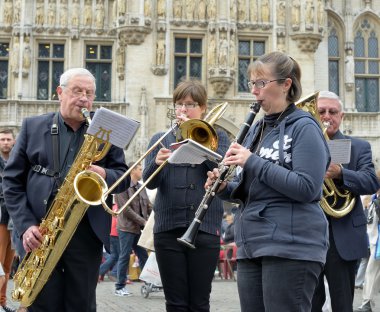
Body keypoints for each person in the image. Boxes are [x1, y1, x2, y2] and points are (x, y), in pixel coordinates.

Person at [205, 51, 331, 312]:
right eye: (252, 83)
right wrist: (223, 188)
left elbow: (307, 188)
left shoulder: (304, 127)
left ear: (286, 84)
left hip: (291, 245)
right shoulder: (256, 130)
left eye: (261, 83)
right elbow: (250, 188)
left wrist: (252, 161)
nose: (254, 91)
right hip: (253, 243)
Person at [2, 68, 129, 312]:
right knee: (42, 305)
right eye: (77, 91)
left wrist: (104, 174)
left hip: (85, 233)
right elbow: (11, 181)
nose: (84, 98)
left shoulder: (105, 132)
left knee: (81, 304)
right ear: (60, 93)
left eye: (89, 93)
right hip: (39, 232)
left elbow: (122, 176)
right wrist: (26, 225)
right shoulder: (32, 126)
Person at [143, 79, 230, 311]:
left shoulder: (218, 138)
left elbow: (222, 174)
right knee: (175, 302)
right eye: (179, 104)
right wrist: (156, 164)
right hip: (168, 230)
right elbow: (149, 183)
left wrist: (198, 142)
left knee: (200, 302)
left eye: (190, 104)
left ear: (203, 108)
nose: (183, 110)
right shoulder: (161, 139)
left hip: (205, 229)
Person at [311, 91, 380, 312]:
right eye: (321, 111)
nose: (327, 116)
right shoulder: (301, 145)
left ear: (341, 116)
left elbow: (370, 182)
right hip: (308, 235)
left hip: (343, 236)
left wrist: (341, 173)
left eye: (332, 112)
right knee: (309, 304)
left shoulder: (358, 147)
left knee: (343, 305)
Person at [114, 162, 152, 296]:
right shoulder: (121, 186)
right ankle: (119, 287)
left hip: (138, 229)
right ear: (133, 171)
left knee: (142, 255)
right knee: (124, 256)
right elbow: (126, 210)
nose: (142, 171)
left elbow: (148, 206)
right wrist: (145, 222)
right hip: (126, 228)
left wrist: (155, 216)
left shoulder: (141, 187)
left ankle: (149, 283)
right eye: (140, 169)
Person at [354, 171, 380, 312]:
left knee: (371, 272)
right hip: (374, 242)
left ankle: (367, 303)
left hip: (377, 243)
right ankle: (367, 303)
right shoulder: (373, 199)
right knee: (371, 272)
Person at [0, 129, 16, 312]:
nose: (5, 142)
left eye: (8, 139)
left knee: (7, 265)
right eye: (2, 139)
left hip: (14, 219)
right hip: (1, 218)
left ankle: (2, 302)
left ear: (13, 142)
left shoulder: (17, 161)